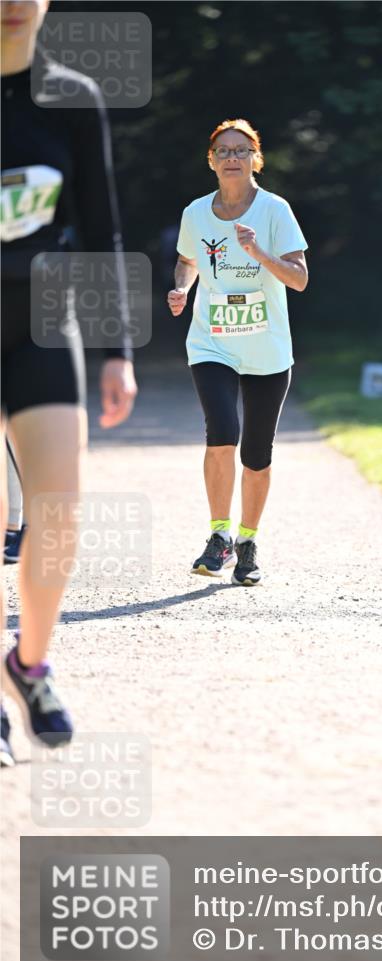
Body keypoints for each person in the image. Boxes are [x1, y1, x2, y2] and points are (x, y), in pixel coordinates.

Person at [1, 0, 138, 767]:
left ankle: (29, 665)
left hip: (45, 325)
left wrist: (117, 349)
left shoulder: (73, 99)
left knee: (57, 516)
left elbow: (101, 228)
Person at [168, 118, 308, 586]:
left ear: (255, 160)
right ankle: (219, 536)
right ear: (211, 161)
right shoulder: (195, 213)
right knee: (222, 432)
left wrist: (260, 254)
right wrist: (182, 288)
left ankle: (247, 542)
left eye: (241, 150)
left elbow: (299, 279)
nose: (232, 157)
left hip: (267, 349)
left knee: (256, 454)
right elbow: (187, 260)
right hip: (212, 342)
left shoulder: (275, 210)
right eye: (224, 151)